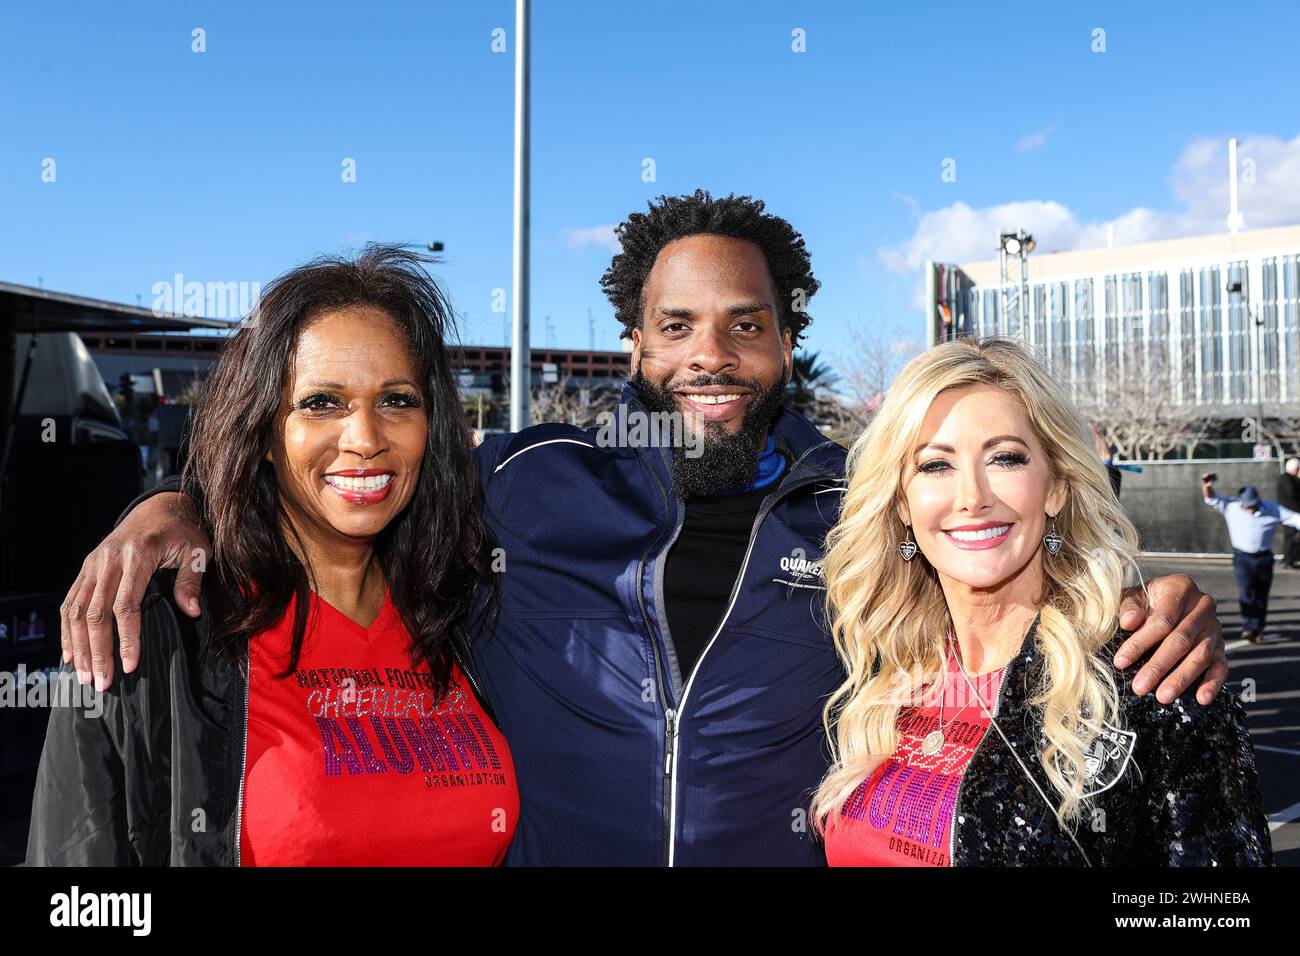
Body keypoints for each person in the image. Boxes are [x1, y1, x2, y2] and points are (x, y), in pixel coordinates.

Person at [59, 192, 1228, 866]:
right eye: (675, 324)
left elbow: (989, 545)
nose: (708, 354)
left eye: (745, 323)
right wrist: (177, 508)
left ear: (784, 339)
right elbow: (349, 471)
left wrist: (1143, 605)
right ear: (633, 344)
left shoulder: (861, 510)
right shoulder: (517, 480)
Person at [28, 247, 517, 865]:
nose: (365, 438)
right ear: (260, 431)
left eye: (397, 400)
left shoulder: (466, 606)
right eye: (321, 403)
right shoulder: (155, 624)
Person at [813, 337, 1272, 866]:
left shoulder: (1148, 675)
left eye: (1005, 458)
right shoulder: (874, 672)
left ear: (1055, 486)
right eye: (935, 466)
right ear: (900, 503)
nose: (973, 496)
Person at [1202, 474, 1300, 643]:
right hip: (1242, 558)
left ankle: (1258, 628)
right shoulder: (1231, 506)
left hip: (1264, 558)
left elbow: (1296, 519)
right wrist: (1207, 485)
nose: (1250, 508)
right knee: (1246, 593)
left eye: (1253, 505)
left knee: (1261, 596)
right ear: (1241, 502)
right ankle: (1248, 627)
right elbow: (1211, 498)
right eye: (1247, 506)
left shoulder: (1272, 508)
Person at [1275, 458, 1300, 568]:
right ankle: (1288, 560)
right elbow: (1292, 494)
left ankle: (1292, 559)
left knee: (1293, 536)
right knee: (1290, 536)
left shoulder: (1291, 479)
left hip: (1293, 513)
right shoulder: (1286, 479)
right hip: (1290, 514)